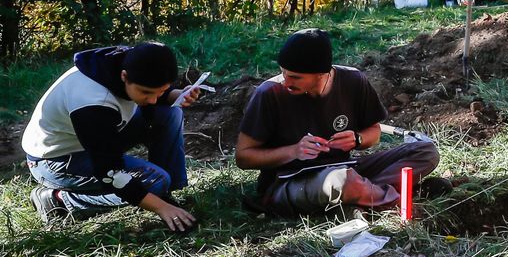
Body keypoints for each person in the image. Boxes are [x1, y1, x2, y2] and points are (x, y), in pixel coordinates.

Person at [235, 28, 442, 216]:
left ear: (321, 74)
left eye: (296, 77)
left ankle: (362, 196)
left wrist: (357, 139)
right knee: (344, 181)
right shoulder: (269, 93)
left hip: (345, 167)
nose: (286, 82)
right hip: (289, 181)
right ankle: (402, 201)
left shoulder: (353, 81)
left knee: (425, 151)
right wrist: (293, 151)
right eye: (283, 73)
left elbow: (375, 131)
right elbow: (243, 157)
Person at [22, 42, 201, 230]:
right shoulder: (92, 103)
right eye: (146, 93)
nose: (153, 100)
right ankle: (59, 200)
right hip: (56, 159)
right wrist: (160, 208)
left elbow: (151, 91)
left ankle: (168, 191)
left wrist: (176, 95)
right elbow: (110, 173)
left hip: (96, 136)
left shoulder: (126, 61)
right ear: (124, 76)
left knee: (171, 114)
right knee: (155, 182)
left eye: (161, 91)